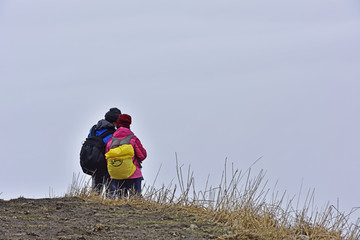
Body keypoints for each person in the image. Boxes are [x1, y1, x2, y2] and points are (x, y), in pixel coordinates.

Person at [105, 114, 147, 198]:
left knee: (121, 201)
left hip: (117, 175)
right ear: (129, 125)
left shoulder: (111, 140)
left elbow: (107, 157)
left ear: (118, 124)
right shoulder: (133, 139)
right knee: (135, 200)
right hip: (133, 175)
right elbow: (143, 155)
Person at [89, 107, 121, 194]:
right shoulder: (114, 133)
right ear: (114, 122)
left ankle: (93, 204)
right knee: (111, 191)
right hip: (107, 165)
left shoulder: (94, 129)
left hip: (94, 162)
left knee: (95, 191)